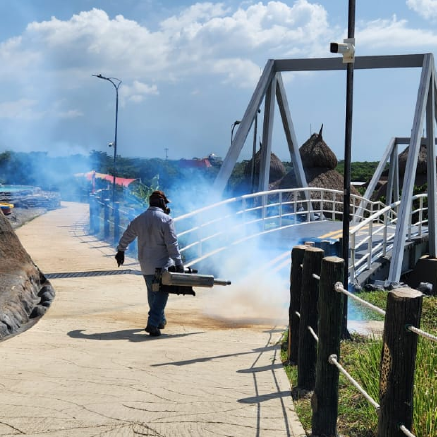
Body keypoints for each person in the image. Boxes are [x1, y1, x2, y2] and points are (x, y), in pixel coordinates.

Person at [115, 190, 184, 337]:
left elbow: (127, 235)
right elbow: (172, 244)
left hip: (145, 263)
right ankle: (152, 324)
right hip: (162, 264)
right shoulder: (166, 220)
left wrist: (121, 251)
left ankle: (160, 320)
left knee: (153, 292)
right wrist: (178, 262)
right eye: (165, 203)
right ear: (161, 203)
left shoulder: (139, 219)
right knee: (162, 294)